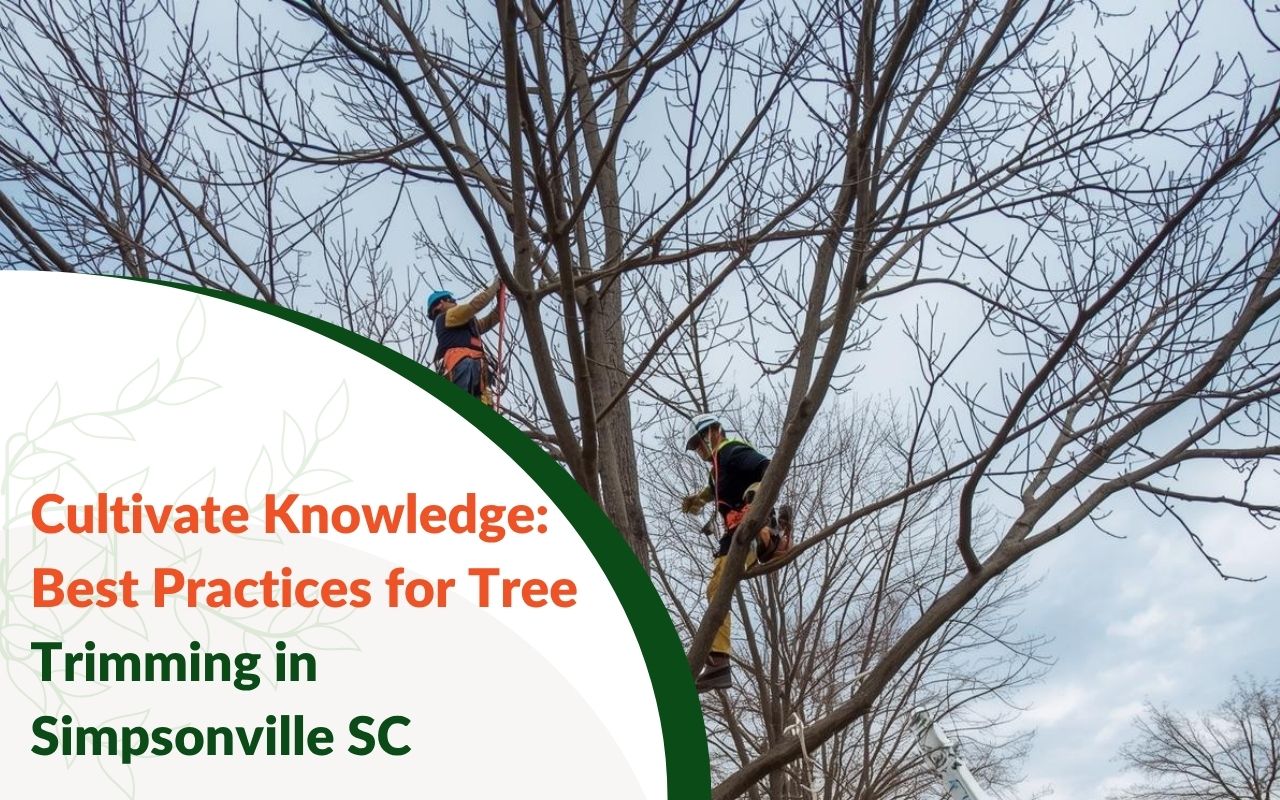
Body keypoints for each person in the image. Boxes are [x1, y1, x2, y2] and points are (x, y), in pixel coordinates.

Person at [681, 412, 773, 693]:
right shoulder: (717, 467)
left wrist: (757, 493)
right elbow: (713, 488)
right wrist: (697, 499)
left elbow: (768, 467)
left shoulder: (732, 451)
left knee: (719, 587)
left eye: (701, 441)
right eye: (695, 446)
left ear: (716, 432)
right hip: (733, 534)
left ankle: (720, 664)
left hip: (746, 530)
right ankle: (717, 659)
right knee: (714, 590)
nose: (700, 449)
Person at [427, 278, 502, 405]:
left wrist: (501, 300)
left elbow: (492, 319)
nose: (456, 304)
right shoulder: (448, 316)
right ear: (441, 303)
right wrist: (496, 285)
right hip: (461, 363)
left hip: (477, 368)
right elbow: (475, 305)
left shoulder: (465, 323)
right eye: (452, 301)